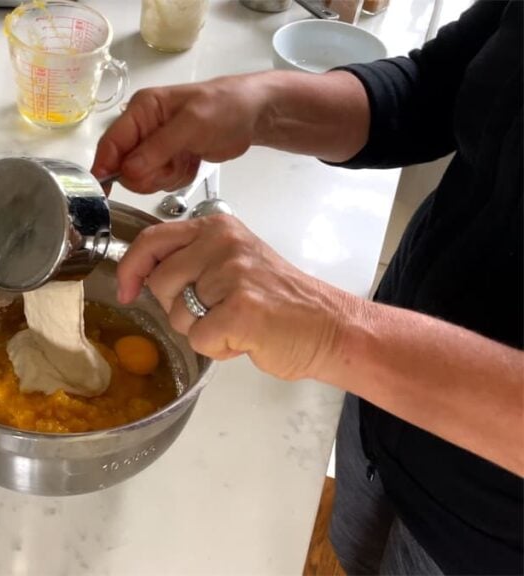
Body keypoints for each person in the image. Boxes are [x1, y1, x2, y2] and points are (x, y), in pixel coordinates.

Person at [90, 2, 523, 574]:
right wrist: (259, 105)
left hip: (492, 538)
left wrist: (333, 331)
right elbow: (439, 86)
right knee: (348, 552)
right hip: (385, 400)